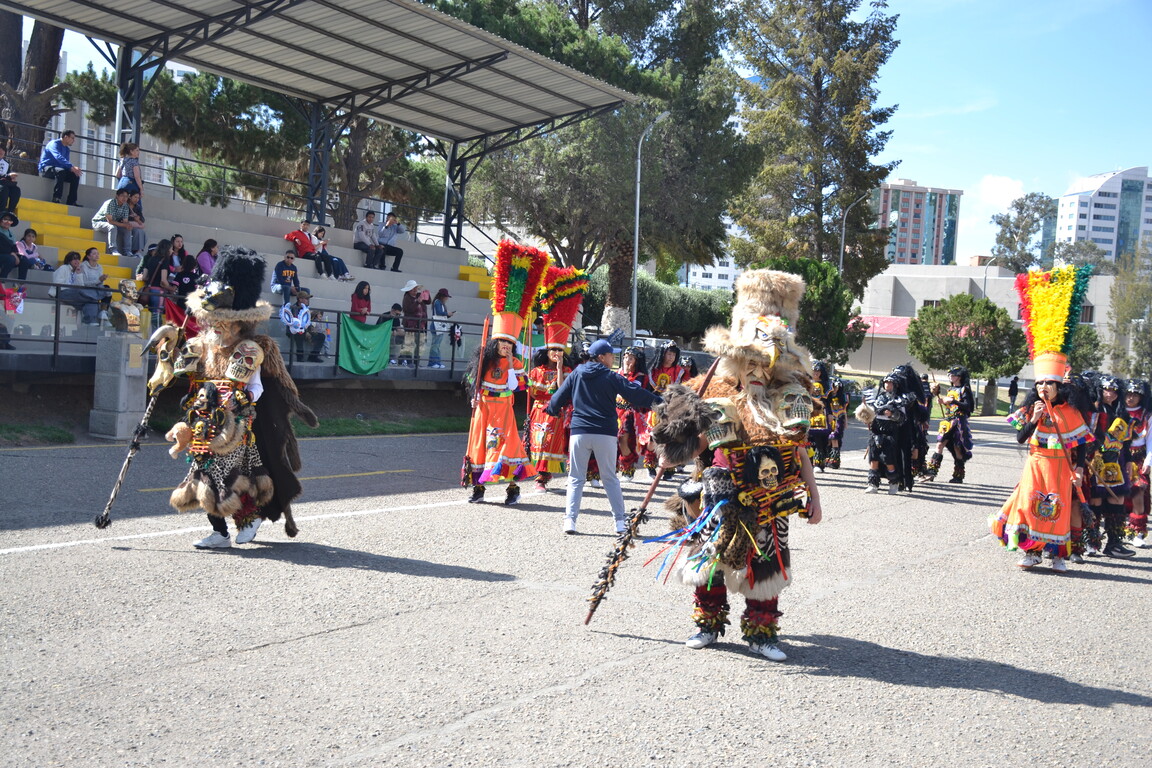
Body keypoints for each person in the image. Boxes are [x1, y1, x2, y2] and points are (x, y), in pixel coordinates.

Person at [649, 269, 823, 662]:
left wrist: (814, 496)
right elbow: (683, 444)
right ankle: (707, 624)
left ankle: (762, 633)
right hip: (716, 495)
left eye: (765, 364)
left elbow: (800, 452)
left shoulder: (790, 396)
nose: (757, 371)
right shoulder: (709, 388)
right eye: (750, 362)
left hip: (771, 497)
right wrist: (674, 448)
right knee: (710, 562)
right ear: (736, 359)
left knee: (766, 565)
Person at [161, 245, 318, 548]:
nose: (216, 327)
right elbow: (185, 374)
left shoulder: (250, 348)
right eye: (213, 321)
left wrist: (239, 402)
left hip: (237, 423)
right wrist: (168, 357)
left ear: (238, 323)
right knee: (202, 471)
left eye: (223, 322)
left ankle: (250, 519)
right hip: (204, 419)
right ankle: (219, 532)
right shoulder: (203, 345)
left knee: (233, 474)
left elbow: (255, 387)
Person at [461, 240, 550, 505]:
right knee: (479, 447)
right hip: (483, 407)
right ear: (494, 342)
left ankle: (513, 488)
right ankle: (478, 488)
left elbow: (515, 387)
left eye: (509, 344)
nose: (505, 347)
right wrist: (474, 396)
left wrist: (511, 363)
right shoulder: (483, 360)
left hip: (503, 408)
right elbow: (472, 381)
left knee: (505, 447)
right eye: (502, 343)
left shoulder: (517, 363)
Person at [547, 339, 661, 533]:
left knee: (575, 478)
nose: (613, 358)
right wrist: (659, 402)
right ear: (601, 357)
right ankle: (619, 522)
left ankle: (570, 521)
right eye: (610, 355)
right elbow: (635, 393)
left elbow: (558, 396)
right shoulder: (610, 376)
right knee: (610, 478)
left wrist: (551, 409)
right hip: (605, 433)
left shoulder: (577, 373)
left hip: (579, 432)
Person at [923, 366, 975, 483]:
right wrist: (942, 401)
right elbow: (949, 405)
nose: (950, 377)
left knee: (957, 448)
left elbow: (968, 407)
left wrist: (952, 401)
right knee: (939, 444)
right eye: (949, 375)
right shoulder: (950, 389)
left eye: (952, 375)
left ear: (959, 377)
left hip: (959, 422)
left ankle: (958, 475)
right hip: (947, 421)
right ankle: (931, 472)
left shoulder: (964, 390)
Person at [615, 346, 655, 481]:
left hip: (633, 413)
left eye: (631, 358)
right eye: (625, 357)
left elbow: (632, 391)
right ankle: (621, 468)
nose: (627, 360)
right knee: (616, 441)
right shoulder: (616, 373)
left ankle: (630, 469)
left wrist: (626, 374)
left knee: (624, 439)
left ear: (637, 361)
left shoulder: (641, 377)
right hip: (615, 412)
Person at [50, 251, 102, 324]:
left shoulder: (77, 270)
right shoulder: (63, 268)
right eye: (74, 259)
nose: (77, 261)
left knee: (91, 301)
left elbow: (80, 286)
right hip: (61, 292)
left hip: (74, 294)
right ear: (69, 261)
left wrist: (78, 274)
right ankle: (98, 297)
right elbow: (57, 283)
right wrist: (71, 287)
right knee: (89, 296)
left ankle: (90, 322)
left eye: (78, 259)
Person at [38, 129, 82, 206]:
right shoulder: (54, 144)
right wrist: (71, 167)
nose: (73, 141)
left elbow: (65, 164)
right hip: (47, 168)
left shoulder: (67, 149)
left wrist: (73, 170)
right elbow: (58, 157)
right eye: (72, 138)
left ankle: (71, 201)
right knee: (61, 171)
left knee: (75, 175)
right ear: (66, 137)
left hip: (59, 171)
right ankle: (56, 198)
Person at [280, 289, 324, 363]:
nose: (308, 300)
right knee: (300, 334)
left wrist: (311, 330)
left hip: (304, 330)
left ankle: (313, 356)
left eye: (308, 299)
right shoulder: (294, 308)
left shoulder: (306, 309)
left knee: (321, 336)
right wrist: (306, 331)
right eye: (306, 298)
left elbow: (307, 322)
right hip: (294, 331)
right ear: (300, 299)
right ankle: (300, 357)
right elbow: (296, 324)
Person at [91, 188, 133, 257]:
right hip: (99, 222)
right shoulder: (110, 203)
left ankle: (127, 251)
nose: (124, 198)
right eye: (122, 196)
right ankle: (113, 250)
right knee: (112, 227)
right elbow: (110, 221)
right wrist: (123, 224)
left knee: (127, 229)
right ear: (117, 196)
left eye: (126, 196)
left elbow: (125, 222)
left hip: (113, 223)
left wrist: (128, 225)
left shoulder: (125, 206)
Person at [400, 279, 429, 367]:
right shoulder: (407, 298)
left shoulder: (419, 296)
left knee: (420, 345)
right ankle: (409, 362)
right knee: (409, 344)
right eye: (413, 288)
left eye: (416, 288)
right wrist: (417, 302)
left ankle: (416, 363)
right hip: (410, 324)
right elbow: (408, 310)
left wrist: (426, 295)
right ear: (409, 290)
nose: (415, 290)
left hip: (420, 325)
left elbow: (428, 302)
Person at [428, 288, 454, 369]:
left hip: (439, 326)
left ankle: (437, 362)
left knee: (437, 345)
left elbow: (441, 314)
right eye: (446, 297)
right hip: (436, 326)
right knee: (435, 345)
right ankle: (432, 363)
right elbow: (439, 312)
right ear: (442, 296)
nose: (447, 298)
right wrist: (447, 313)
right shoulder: (437, 302)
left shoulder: (439, 303)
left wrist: (448, 315)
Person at [0, 211, 27, 280]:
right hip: (3, 255)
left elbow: (14, 248)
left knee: (24, 260)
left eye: (10, 220)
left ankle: (20, 283)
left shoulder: (11, 234)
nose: (7, 222)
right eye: (5, 219)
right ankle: (2, 280)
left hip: (8, 255)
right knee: (11, 259)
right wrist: (12, 253)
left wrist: (16, 254)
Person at [0, 145, 21, 214]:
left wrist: (11, 178)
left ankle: (10, 212)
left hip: (3, 182)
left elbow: (7, 175)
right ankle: (2, 212)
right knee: (4, 189)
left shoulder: (6, 163)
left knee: (16, 190)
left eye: (3, 150)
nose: (1, 152)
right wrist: (7, 176)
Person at [125, 191, 147, 257]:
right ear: (130, 197)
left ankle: (137, 251)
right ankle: (132, 251)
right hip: (125, 224)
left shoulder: (137, 207)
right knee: (137, 230)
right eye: (135, 197)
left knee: (141, 232)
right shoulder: (124, 205)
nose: (137, 199)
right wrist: (132, 217)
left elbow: (142, 220)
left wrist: (137, 218)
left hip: (134, 225)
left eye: (138, 198)